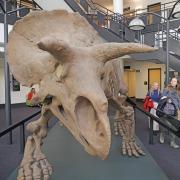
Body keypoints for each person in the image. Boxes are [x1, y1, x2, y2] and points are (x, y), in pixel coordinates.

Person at [159, 77, 180, 148]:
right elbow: (162, 98)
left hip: (175, 111)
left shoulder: (178, 91)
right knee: (165, 126)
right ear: (170, 82)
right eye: (173, 81)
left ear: (177, 83)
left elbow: (178, 101)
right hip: (166, 111)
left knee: (174, 127)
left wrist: (178, 108)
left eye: (175, 81)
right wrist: (167, 100)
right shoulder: (166, 89)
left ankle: (172, 142)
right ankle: (162, 134)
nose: (174, 82)